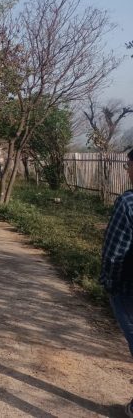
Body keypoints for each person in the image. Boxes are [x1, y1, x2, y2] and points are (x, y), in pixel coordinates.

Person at [100, 149, 133, 416]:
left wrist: (110, 285)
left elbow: (115, 252)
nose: (127, 171)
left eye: (128, 166)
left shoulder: (128, 203)